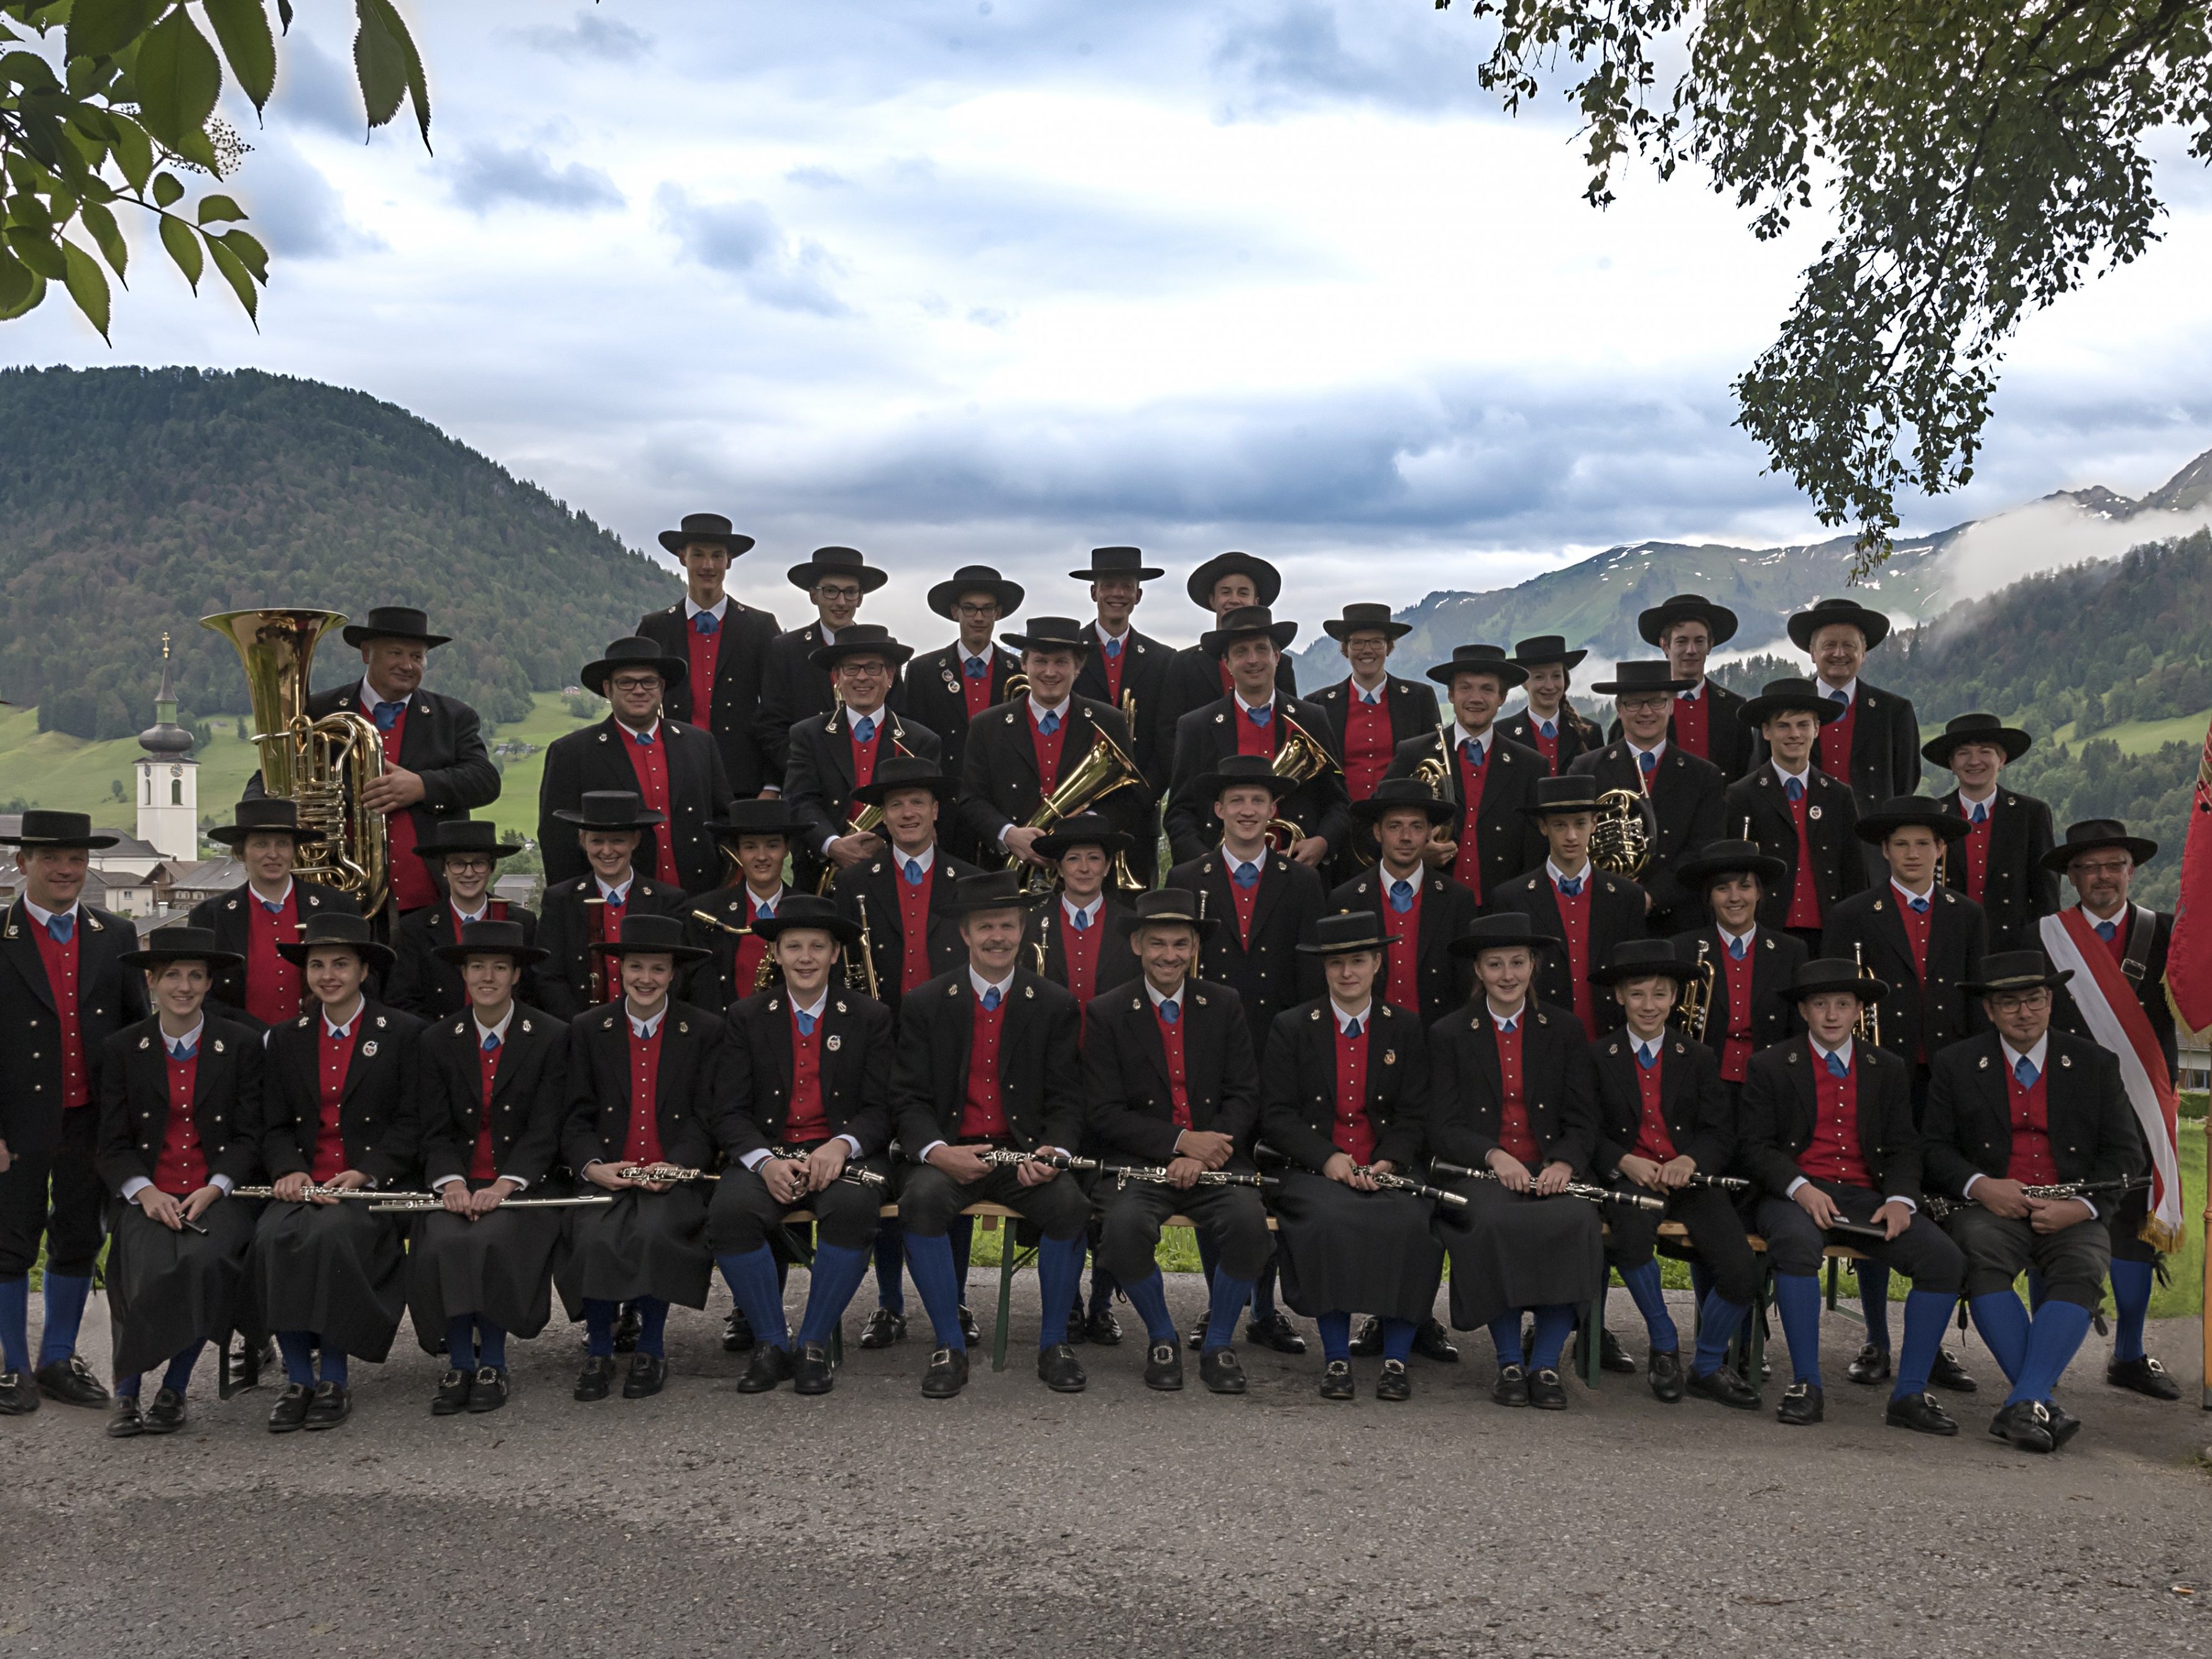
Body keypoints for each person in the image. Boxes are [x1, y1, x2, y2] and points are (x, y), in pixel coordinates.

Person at [1922, 950, 2144, 1451]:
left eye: (2035, 1000)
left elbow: (2125, 1155)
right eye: (2010, 1003)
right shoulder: (1957, 1064)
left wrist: (2082, 1208)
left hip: (2070, 1205)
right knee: (1979, 1254)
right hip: (1991, 1205)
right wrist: (1981, 1185)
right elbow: (1933, 1148)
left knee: (2085, 1262)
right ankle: (2040, 1400)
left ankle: (2024, 1402)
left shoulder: (2094, 1063)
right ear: (1989, 1010)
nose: (2024, 1012)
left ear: (2051, 1002)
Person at [1738, 956, 1970, 1433]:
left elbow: (1905, 1146)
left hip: (1868, 1197)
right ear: (1803, 1010)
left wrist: (1902, 1199)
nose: (1830, 1015)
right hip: (1793, 1194)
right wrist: (1800, 1189)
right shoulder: (1770, 1065)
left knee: (1943, 1259)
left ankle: (1909, 1393)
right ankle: (1807, 1383)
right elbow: (1755, 1148)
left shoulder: (1885, 1067)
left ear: (1858, 1010)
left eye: (1842, 1004)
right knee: (1797, 1246)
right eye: (1820, 1004)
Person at [889, 871, 1093, 1398]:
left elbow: (1068, 1099)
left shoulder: (1052, 1002)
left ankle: (1054, 1344)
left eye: (1007, 925)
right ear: (965, 934)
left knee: (1069, 1205)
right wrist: (938, 1153)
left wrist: (1055, 1152)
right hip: (951, 1152)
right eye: (986, 927)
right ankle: (949, 1345)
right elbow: (907, 1098)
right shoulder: (926, 1002)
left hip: (1021, 1154)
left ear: (1022, 930)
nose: (997, 937)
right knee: (921, 1202)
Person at [1820, 794, 1985, 1392]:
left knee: (1935, 1208)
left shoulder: (1968, 914)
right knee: (1875, 1202)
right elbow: (1833, 1004)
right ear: (1884, 851)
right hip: (1878, 1078)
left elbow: (1972, 1001)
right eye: (1901, 845)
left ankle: (1930, 1342)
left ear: (1942, 850)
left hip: (1944, 1080)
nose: (1913, 854)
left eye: (1924, 844)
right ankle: (1877, 1338)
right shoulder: (1851, 914)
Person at [1080, 890, 1268, 1393]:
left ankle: (1219, 1344)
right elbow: (1102, 1112)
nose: (1169, 954)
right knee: (1120, 1231)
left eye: (1180, 944)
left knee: (1250, 1224)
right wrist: (1181, 1143)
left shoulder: (1224, 1004)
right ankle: (1161, 1335)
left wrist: (1209, 1149)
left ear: (1194, 949)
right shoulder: (1105, 1012)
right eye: (1158, 943)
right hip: (1140, 1162)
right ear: (1138, 945)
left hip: (1218, 1159)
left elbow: (1245, 1092)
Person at [824, 757, 983, 1352]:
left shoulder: (966, 879)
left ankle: (958, 1299)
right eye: (896, 806)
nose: (908, 814)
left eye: (918, 802)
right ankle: (889, 1304)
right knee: (884, 1174)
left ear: (936, 810)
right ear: (882, 817)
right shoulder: (852, 883)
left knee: (951, 1166)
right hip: (875, 1043)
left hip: (949, 1046)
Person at [709, 895, 895, 1395]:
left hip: (839, 1154)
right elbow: (727, 1111)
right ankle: (771, 1342)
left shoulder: (870, 1016)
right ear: (777, 954)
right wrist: (763, 1162)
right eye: (794, 946)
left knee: (854, 1207)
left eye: (818, 946)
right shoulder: (746, 1016)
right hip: (767, 1154)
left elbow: (882, 1108)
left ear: (836, 954)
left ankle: (812, 1344)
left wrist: (842, 1145)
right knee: (729, 1214)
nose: (806, 957)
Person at [0, 810, 150, 1417]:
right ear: (23, 864)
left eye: (76, 859)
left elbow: (134, 1030)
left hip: (92, 1118)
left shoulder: (113, 933)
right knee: (12, 1240)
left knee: (80, 1233)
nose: (67, 869)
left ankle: (58, 1357)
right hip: (16, 1121)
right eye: (52, 858)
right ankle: (12, 1365)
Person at [1258, 911, 1442, 1402]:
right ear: (1324, 968)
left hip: (1386, 1167)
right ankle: (1337, 1357)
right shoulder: (1292, 1026)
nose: (1347, 973)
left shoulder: (1404, 1028)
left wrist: (1390, 1161)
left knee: (1412, 1225)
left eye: (1358, 961)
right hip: (1314, 1169)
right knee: (1326, 1223)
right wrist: (1327, 1159)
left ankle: (1397, 1361)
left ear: (1377, 964)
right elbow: (1277, 1115)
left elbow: (1414, 1115)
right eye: (1337, 963)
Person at [1426, 912, 1603, 1410]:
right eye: (1495, 964)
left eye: (1518, 963)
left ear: (1534, 967)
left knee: (1576, 1222)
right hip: (1482, 1172)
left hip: (1550, 1171)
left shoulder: (1565, 1030)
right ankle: (1508, 1359)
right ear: (1478, 972)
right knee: (1490, 1222)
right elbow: (1442, 1126)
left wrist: (1565, 1163)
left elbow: (1583, 1119)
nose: (1508, 975)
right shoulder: (1450, 1033)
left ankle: (1545, 1363)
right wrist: (1494, 1154)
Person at [254, 913, 422, 1433]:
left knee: (332, 1238)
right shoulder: (285, 1039)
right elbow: (273, 1123)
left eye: (341, 964)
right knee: (271, 1239)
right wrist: (288, 1169)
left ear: (363, 970)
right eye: (318, 965)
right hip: (302, 1184)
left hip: (367, 1186)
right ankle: (298, 1378)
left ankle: (335, 1376)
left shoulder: (402, 1034)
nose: (329, 975)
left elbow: (413, 1123)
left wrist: (366, 1173)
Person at [93, 925, 262, 1438]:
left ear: (211, 983)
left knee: (202, 1261)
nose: (184, 987)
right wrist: (144, 1193)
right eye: (172, 976)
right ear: (152, 982)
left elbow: (249, 1135)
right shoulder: (123, 1048)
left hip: (216, 1193)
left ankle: (175, 1386)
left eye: (196, 976)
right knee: (143, 1263)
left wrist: (215, 1187)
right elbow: (112, 1144)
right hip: (148, 1193)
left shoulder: (242, 1045)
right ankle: (127, 1391)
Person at [2037, 818, 2183, 1400]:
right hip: (2064, 1098)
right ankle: (2041, 1351)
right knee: (2049, 1217)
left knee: (2133, 1226)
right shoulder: (2043, 934)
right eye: (2090, 867)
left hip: (2143, 1098)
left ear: (2131, 870)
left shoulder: (2172, 933)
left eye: (2113, 865)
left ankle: (2129, 1351)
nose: (2102, 877)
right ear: (2072, 876)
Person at [1585, 939, 1762, 1408]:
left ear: (1676, 999)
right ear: (1620, 996)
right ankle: (1664, 1341)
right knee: (1630, 1233)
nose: (1649, 1005)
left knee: (1742, 1270)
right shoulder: (1597, 1057)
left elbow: (1719, 1131)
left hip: (1690, 1180)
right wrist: (1624, 1161)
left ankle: (1706, 1364)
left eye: (1660, 994)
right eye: (1638, 994)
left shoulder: (1699, 1058)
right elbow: (1584, 1129)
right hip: (1632, 1178)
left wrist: (1691, 1161)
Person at [559, 913, 722, 1403]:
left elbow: (706, 1116)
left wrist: (678, 1165)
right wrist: (592, 1166)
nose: (646, 979)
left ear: (674, 973)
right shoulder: (588, 1028)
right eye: (635, 967)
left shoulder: (704, 1030)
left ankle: (651, 1346)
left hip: (672, 1170)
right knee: (592, 1233)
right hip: (609, 1168)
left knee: (655, 1231)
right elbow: (574, 1115)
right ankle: (601, 1348)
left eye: (657, 968)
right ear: (620, 970)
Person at [410, 918, 568, 1417]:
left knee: (492, 1239)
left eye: (500, 967)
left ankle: (493, 1362)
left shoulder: (549, 1037)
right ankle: (459, 1360)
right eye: (477, 966)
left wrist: (505, 1183)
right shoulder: (437, 1040)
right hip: (456, 1180)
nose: (488, 977)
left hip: (522, 1182)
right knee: (444, 1238)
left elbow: (547, 1128)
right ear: (463, 974)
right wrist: (452, 1181)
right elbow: (431, 1128)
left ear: (517, 975)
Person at [260, 606, 500, 919]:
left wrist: (422, 786)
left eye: (417, 657)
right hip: (338, 890)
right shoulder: (320, 709)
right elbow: (270, 773)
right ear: (366, 653)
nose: (407, 665)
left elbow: (485, 780)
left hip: (429, 899)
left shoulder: (453, 716)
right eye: (396, 653)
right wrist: (281, 817)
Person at [537, 636, 732, 896]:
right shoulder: (572, 752)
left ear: (661, 687)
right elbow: (557, 841)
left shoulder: (699, 743)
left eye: (648, 681)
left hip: (699, 898)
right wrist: (576, 905)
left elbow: (723, 822)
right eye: (626, 682)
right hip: (618, 902)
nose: (639, 690)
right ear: (608, 689)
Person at [958, 616, 1150, 876]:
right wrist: (1009, 835)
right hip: (1006, 872)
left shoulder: (1108, 721)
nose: (1050, 672)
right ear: (1024, 664)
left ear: (1078, 667)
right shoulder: (987, 725)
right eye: (1040, 661)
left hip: (1084, 871)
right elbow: (972, 800)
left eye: (1061, 662)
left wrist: (1086, 829)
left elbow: (1129, 799)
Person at [1164, 606, 1348, 869]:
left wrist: (1323, 842)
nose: (1253, 660)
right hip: (1221, 874)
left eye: (1261, 649)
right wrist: (1202, 861)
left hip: (1297, 869)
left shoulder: (1312, 718)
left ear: (1276, 656)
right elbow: (1180, 812)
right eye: (1241, 652)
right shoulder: (1197, 726)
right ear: (1226, 663)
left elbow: (1338, 801)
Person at [783, 623, 943, 894]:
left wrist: (878, 845)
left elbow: (924, 812)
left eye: (873, 667)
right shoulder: (807, 735)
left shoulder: (921, 741)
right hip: (821, 876)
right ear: (836, 677)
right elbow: (799, 801)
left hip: (895, 874)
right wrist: (833, 845)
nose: (862, 678)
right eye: (851, 668)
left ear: (890, 676)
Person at [1569, 659, 1726, 935]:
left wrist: (1653, 895)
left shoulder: (1704, 776)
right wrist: (1617, 892)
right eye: (1634, 703)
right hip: (1605, 912)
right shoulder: (1585, 769)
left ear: (1672, 706)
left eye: (1656, 702)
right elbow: (1574, 842)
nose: (1646, 712)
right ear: (1618, 709)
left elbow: (1703, 849)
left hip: (1679, 920)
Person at [1379, 644, 1544, 905]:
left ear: (1502, 698)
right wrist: (1417, 853)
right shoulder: (1414, 753)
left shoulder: (1530, 765)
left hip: (1503, 904)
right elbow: (1375, 827)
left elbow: (1536, 849)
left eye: (1487, 689)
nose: (1476, 698)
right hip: (1430, 902)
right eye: (1466, 687)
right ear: (1451, 694)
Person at [635, 512, 783, 801]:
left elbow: (777, 709)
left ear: (729, 561)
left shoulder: (759, 627)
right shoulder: (655, 627)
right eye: (698, 555)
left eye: (717, 556)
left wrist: (773, 784)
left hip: (744, 779)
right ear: (682, 557)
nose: (708, 565)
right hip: (673, 773)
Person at [1491, 774, 1651, 1040]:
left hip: (1611, 1038)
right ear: (1543, 827)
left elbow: (1636, 976)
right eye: (1560, 825)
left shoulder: (1626, 896)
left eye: (1580, 823)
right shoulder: (1512, 897)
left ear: (1595, 823)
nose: (1572, 836)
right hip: (1539, 1039)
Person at [187, 797, 361, 1030]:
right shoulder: (210, 916)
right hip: (242, 1043)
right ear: (242, 853)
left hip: (320, 1038)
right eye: (261, 844)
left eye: (282, 844)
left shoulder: (336, 906)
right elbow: (199, 994)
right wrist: (252, 1032)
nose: (273, 854)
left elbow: (363, 982)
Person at [1725, 678, 1867, 949]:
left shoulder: (1839, 795)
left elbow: (1853, 873)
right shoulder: (1742, 794)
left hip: (1828, 931)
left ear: (1817, 729)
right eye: (1783, 726)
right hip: (1767, 931)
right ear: (1766, 731)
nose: (1794, 735)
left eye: (1803, 725)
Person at [1667, 839, 1809, 1109]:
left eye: (1745, 886)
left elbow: (1799, 1030)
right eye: (1723, 888)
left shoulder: (1791, 951)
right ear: (1709, 897)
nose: (1734, 898)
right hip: (1701, 1088)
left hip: (1770, 1087)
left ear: (1758, 892)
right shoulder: (1681, 949)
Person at [898, 565, 1025, 861]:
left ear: (999, 613)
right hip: (946, 809)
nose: (978, 617)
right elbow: (915, 750)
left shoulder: (1018, 672)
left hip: (1003, 810)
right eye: (970, 609)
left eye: (987, 609)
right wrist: (923, 816)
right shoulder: (924, 671)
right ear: (955, 612)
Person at [1330, 777, 1478, 1025]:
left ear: (1431, 832)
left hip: (1436, 1036)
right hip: (1370, 1036)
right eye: (1395, 826)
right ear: (1378, 832)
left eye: (1417, 827)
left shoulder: (1458, 900)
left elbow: (1467, 982)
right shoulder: (1346, 899)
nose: (1406, 837)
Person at [1069, 546, 1175, 883]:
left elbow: (1166, 747)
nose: (1117, 594)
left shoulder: (1163, 660)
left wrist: (1130, 805)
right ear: (1093, 592)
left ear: (1138, 595)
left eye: (1126, 586)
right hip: (1074, 812)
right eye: (1109, 585)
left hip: (1138, 819)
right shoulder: (1067, 655)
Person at [535, 792, 689, 1020]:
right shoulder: (560, 899)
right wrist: (579, 1027)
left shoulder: (667, 901)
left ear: (635, 840)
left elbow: (679, 973)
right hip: (577, 1029)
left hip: (650, 1024)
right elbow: (547, 976)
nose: (607, 851)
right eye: (597, 841)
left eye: (618, 840)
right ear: (583, 841)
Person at [1766, 596, 1922, 823]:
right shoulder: (1780, 708)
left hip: (1870, 838)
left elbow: (1905, 783)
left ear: (1863, 652)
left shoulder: (1894, 711)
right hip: (1798, 834)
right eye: (1829, 645)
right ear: (1812, 652)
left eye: (1849, 645)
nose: (1839, 654)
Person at [753, 545, 888, 787]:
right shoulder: (786, 650)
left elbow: (896, 721)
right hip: (806, 784)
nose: (841, 601)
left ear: (861, 597)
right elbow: (771, 727)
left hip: (871, 785)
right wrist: (807, 771)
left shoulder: (884, 650)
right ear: (813, 595)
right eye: (831, 591)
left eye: (850, 592)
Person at [1924, 712, 2059, 951]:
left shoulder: (2031, 813)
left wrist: (2045, 951)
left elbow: (2045, 892)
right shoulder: (1934, 816)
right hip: (1949, 944)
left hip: (2014, 946)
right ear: (1952, 764)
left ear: (2002, 760)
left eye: (1985, 751)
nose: (1974, 761)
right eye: (1963, 753)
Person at [384, 818, 539, 1019]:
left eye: (478, 864)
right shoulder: (415, 928)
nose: (468, 873)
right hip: (438, 1042)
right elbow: (401, 1001)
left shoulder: (522, 922)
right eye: (458, 864)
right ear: (444, 869)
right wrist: (441, 1039)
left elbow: (532, 995)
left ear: (492, 868)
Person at [1153, 551, 1299, 752]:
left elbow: (1291, 724)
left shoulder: (1281, 663)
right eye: (1225, 592)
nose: (1234, 599)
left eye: (1243, 592)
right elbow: (1168, 733)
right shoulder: (1183, 664)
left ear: (1256, 601)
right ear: (1212, 600)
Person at [1306, 603, 1439, 805]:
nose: (1367, 650)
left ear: (1389, 647)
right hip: (1341, 823)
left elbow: (1435, 765)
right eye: (1357, 643)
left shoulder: (1419, 698)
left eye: (1376, 642)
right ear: (1345, 649)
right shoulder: (1318, 705)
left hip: (1401, 818)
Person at [684, 798, 801, 1014]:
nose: (762, 857)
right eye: (750, 847)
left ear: (787, 849)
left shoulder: (807, 911)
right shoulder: (703, 912)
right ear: (737, 853)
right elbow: (701, 990)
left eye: (773, 845)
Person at [1021, 813, 1141, 1019]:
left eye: (1094, 858)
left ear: (1107, 867)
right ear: (1059, 868)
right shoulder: (1030, 925)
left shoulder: (1133, 926)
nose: (1084, 868)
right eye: (1073, 859)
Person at [1632, 594, 1754, 779]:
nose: (1691, 650)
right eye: (1682, 642)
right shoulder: (1640, 711)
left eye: (1699, 641)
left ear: (1710, 645)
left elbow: (1745, 775)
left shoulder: (1734, 708)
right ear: (1665, 646)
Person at [1498, 634, 1603, 777]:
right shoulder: (1502, 733)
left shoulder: (1590, 732)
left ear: (1565, 679)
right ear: (1524, 683)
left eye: (1556, 676)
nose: (1549, 686)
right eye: (1539, 677)